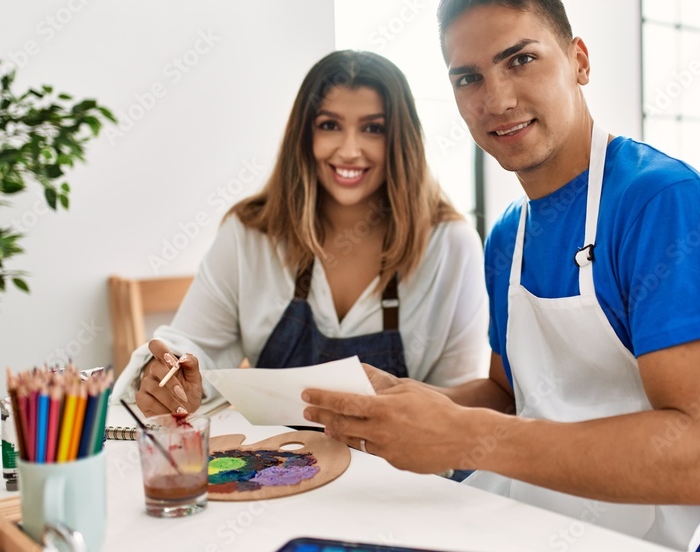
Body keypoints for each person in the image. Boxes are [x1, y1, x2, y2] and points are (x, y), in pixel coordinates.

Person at [303, 0, 700, 552]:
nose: (496, 99)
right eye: (468, 78)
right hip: (547, 526)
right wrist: (412, 407)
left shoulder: (667, 208)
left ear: (578, 60)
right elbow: (509, 396)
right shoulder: (509, 237)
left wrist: (464, 437)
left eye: (521, 60)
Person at [115, 50, 489, 417]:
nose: (349, 150)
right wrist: (170, 374)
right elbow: (194, 347)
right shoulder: (249, 233)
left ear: (400, 140)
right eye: (329, 125)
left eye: (373, 128)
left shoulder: (451, 246)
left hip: (399, 471)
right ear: (304, 135)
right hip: (276, 464)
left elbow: (458, 403)